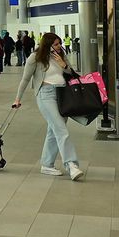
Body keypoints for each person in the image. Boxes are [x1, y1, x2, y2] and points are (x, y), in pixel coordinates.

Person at [13, 32, 84, 181]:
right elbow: (25, 79)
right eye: (56, 44)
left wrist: (63, 65)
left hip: (62, 95)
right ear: (48, 45)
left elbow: (72, 74)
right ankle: (71, 164)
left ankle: (47, 164)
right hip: (45, 95)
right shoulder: (35, 57)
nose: (59, 47)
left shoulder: (61, 55)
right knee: (61, 129)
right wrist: (17, 99)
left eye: (59, 44)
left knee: (53, 131)